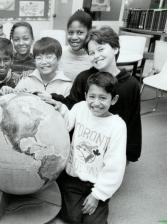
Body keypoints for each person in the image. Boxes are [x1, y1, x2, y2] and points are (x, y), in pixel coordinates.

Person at [51, 26, 142, 163]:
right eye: (92, 53)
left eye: (101, 49)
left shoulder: (131, 84)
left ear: (115, 49)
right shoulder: (83, 78)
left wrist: (129, 154)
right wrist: (53, 98)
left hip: (112, 148)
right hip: (86, 144)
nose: (96, 56)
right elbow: (72, 105)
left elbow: (133, 120)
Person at [45, 72, 126, 223]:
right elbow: (67, 123)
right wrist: (61, 108)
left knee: (93, 221)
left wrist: (98, 195)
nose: (96, 102)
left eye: (103, 98)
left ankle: (99, 199)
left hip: (96, 182)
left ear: (113, 100)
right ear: (85, 95)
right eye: (92, 96)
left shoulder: (117, 126)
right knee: (71, 217)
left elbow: (115, 165)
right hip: (73, 178)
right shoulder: (80, 108)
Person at [60, 10, 93, 81]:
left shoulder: (94, 57)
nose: (74, 37)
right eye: (70, 32)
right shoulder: (60, 53)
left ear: (89, 33)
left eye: (80, 32)